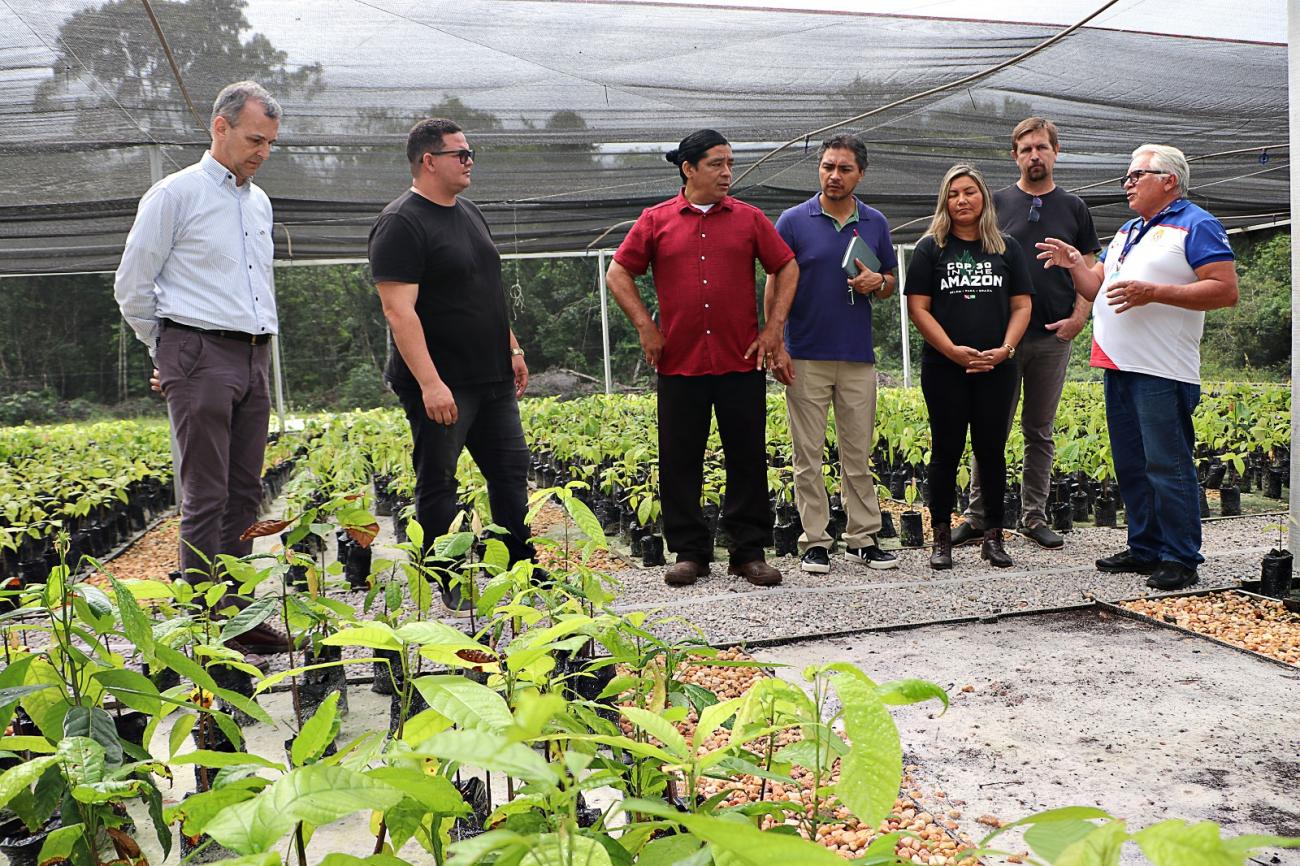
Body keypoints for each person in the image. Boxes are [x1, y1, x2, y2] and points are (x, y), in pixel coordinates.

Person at [114, 80, 290, 654]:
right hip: (198, 350)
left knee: (245, 491)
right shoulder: (175, 194)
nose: (263, 152)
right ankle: (203, 623)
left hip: (253, 354)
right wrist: (166, 352)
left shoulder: (258, 203)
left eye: (270, 143)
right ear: (220, 126)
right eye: (254, 139)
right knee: (206, 492)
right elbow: (133, 285)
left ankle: (236, 614)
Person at [1036, 145, 1238, 591]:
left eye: (1136, 175)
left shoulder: (1197, 223)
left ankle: (1181, 556)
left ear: (1169, 180)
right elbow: (1097, 286)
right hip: (1118, 363)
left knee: (1167, 464)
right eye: (1126, 176)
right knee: (1131, 464)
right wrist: (1075, 264)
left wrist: (1154, 292)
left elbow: (1225, 291)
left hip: (1162, 368)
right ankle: (1145, 547)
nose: (1126, 183)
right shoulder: (1128, 230)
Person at [607, 129, 799, 588]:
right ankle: (689, 552)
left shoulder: (749, 219)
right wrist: (646, 327)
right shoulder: (656, 221)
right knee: (680, 458)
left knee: (747, 456)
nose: (727, 172)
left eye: (730, 163)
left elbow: (787, 265)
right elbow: (618, 272)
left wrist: (773, 329)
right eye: (717, 164)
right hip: (680, 362)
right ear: (688, 169)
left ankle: (748, 552)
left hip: (740, 360)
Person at [368, 118, 537, 614]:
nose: (469, 161)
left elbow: (485, 289)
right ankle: (447, 576)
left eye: (470, 153)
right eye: (460, 154)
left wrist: (512, 348)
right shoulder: (401, 222)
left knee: (510, 473)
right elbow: (398, 311)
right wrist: (430, 383)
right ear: (428, 161)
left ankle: (519, 568)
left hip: (492, 376)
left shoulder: (469, 212)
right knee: (439, 481)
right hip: (444, 383)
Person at [952, 118, 1100, 551]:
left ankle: (1034, 515)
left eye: (1041, 147)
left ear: (1056, 152)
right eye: (1026, 149)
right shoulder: (996, 203)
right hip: (1002, 341)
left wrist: (1078, 319)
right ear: (1014, 156)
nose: (1034, 156)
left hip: (1052, 338)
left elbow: (1090, 269)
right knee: (990, 428)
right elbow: (976, 261)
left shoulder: (1074, 207)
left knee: (1039, 429)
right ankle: (979, 515)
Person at [768, 134, 898, 574]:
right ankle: (815, 541)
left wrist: (877, 283)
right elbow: (774, 282)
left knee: (857, 454)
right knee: (807, 455)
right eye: (827, 166)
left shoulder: (875, 222)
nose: (834, 175)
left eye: (844, 168)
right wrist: (776, 342)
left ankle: (863, 538)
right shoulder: (792, 221)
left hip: (857, 356)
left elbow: (889, 282)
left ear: (861, 173)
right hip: (805, 354)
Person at [905, 164, 1033, 570]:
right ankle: (941, 537)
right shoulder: (930, 249)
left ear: (984, 199)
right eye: (954, 193)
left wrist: (1006, 350)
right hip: (945, 368)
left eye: (970, 192)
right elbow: (918, 308)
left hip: (996, 367)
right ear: (944, 201)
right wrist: (951, 351)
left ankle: (993, 536)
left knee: (991, 451)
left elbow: (1022, 305)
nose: (962, 200)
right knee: (945, 450)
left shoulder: (1007, 248)